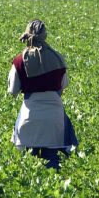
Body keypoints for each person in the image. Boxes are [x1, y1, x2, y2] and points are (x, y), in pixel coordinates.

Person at [8, 20, 78, 169]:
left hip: (30, 115)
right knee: (53, 163)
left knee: (28, 165)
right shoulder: (58, 58)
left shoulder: (19, 60)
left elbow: (12, 90)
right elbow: (63, 86)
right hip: (55, 116)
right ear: (45, 35)